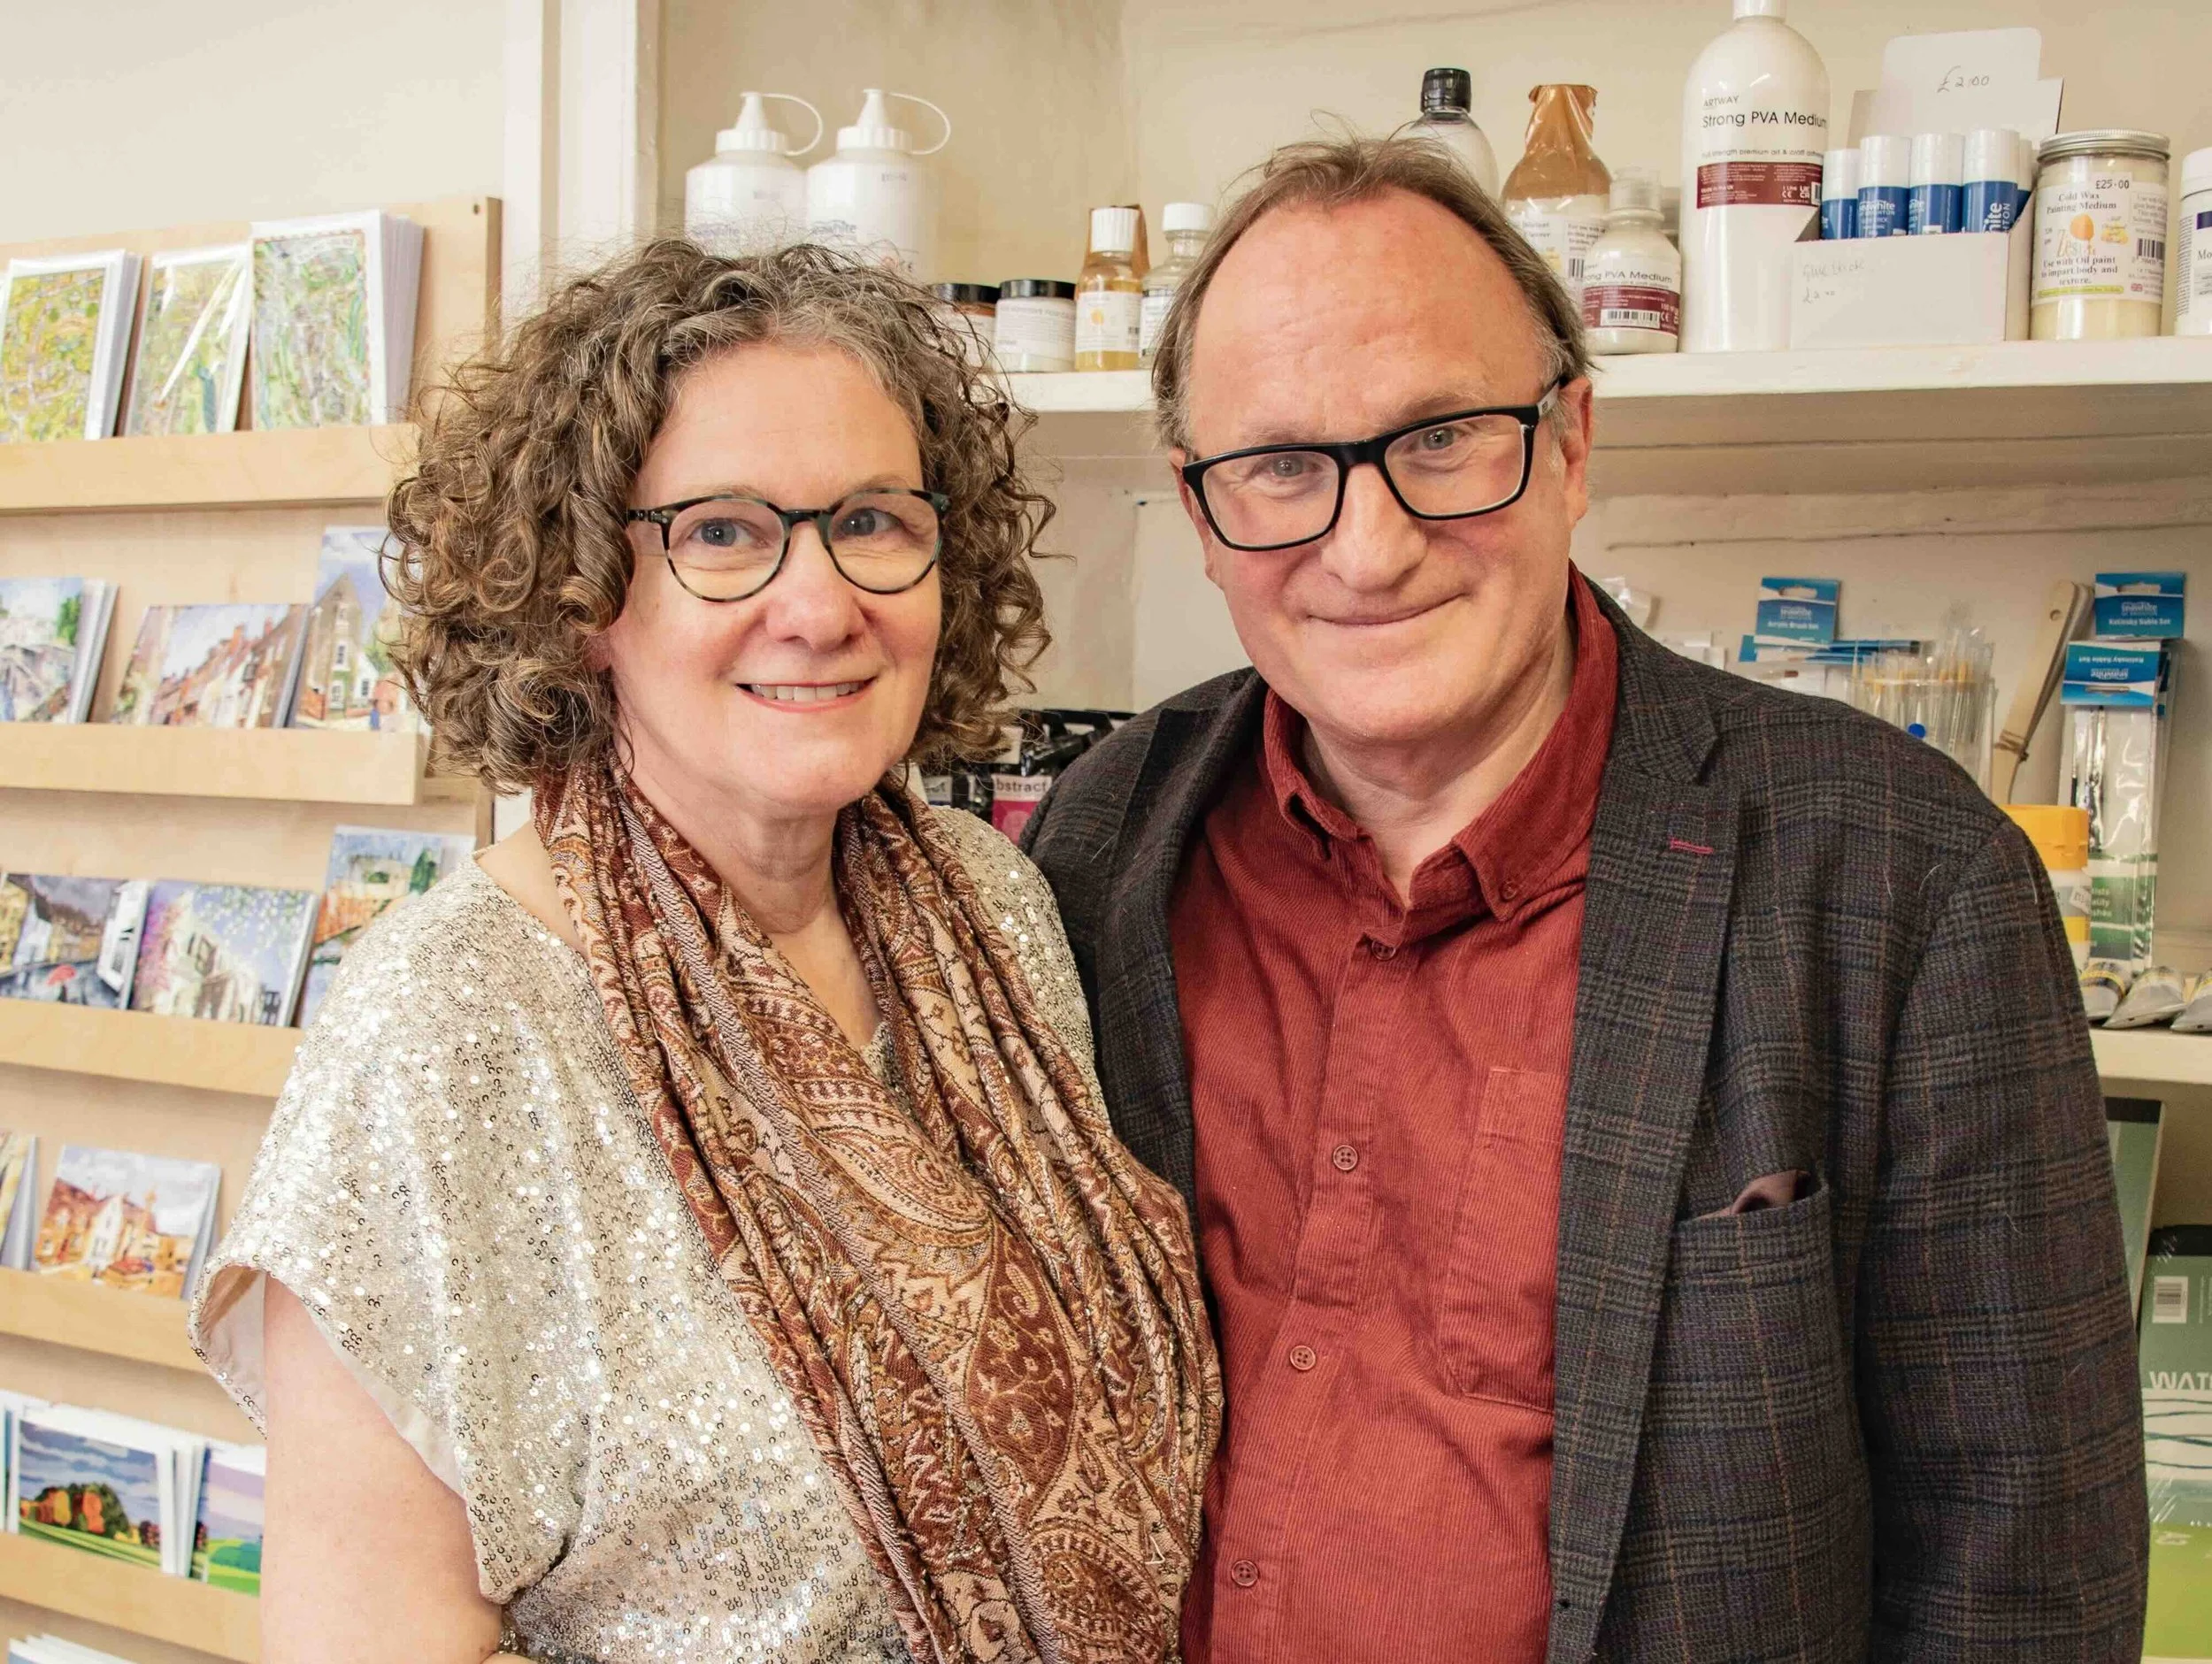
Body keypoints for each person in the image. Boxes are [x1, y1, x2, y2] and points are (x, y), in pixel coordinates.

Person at [1021, 135, 2147, 1662]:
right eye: (1280, 465)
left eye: (1441, 437)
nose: (1367, 546)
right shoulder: (1104, 846)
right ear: (1201, 510)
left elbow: (2024, 1570)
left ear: (1569, 441)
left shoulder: (1901, 879)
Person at [190, 242, 1219, 1664]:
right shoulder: (446, 1031)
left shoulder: (993, 912)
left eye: (871, 519)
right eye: (723, 533)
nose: (820, 602)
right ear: (581, 591)